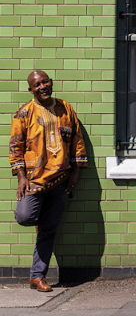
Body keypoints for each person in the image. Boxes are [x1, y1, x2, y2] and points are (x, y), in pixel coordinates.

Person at [9, 71, 87, 292]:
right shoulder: (24, 113)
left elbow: (77, 141)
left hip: (61, 179)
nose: (42, 86)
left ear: (51, 83)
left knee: (49, 230)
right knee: (25, 216)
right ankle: (39, 219)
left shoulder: (65, 108)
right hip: (34, 180)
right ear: (31, 90)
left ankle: (37, 276)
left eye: (45, 82)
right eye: (37, 85)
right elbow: (16, 146)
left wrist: (75, 172)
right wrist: (21, 177)